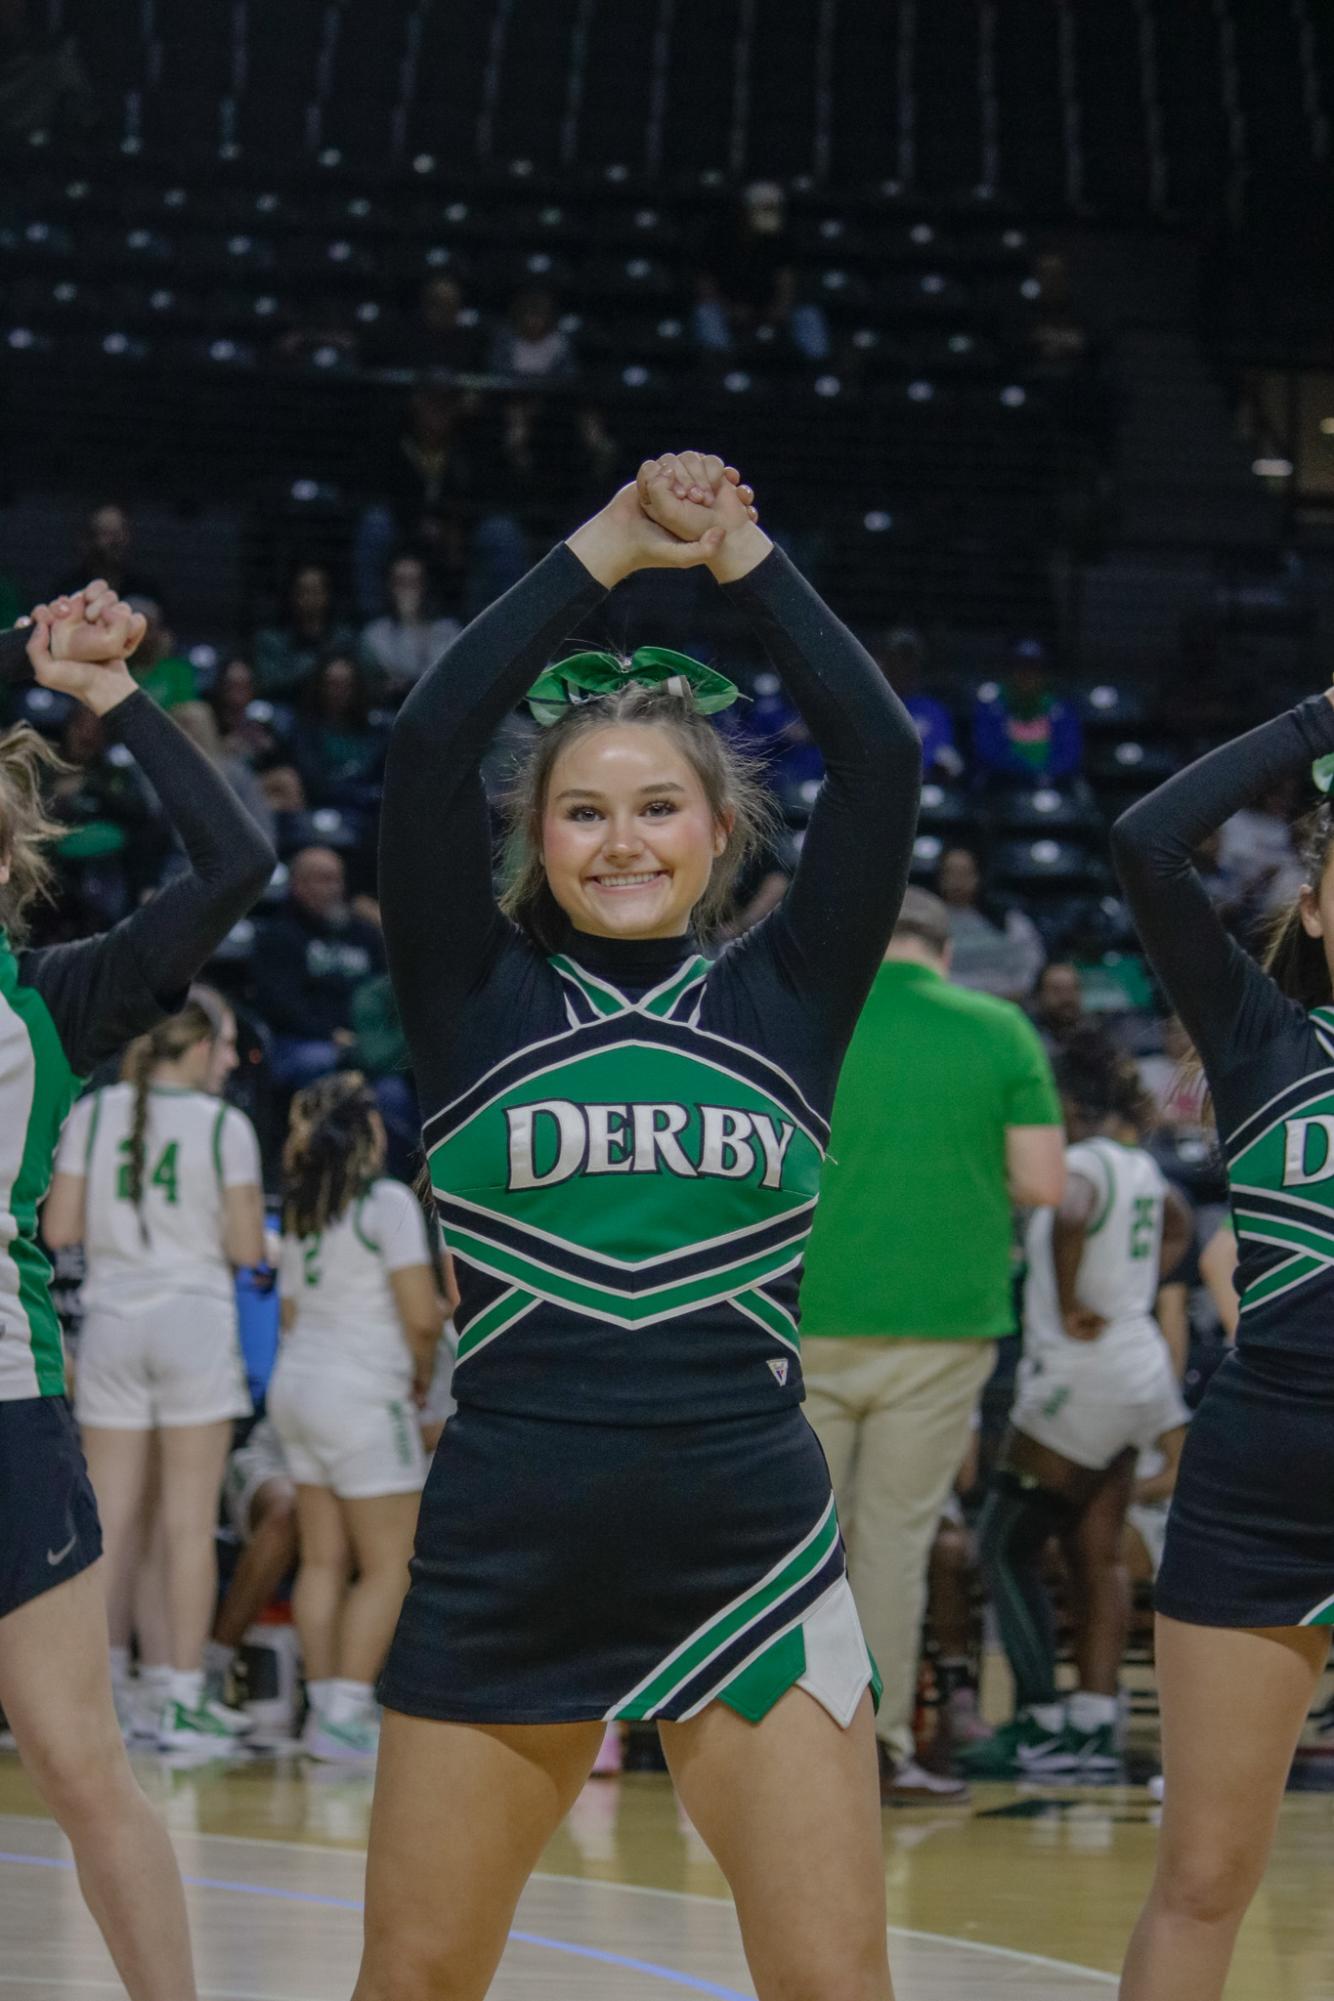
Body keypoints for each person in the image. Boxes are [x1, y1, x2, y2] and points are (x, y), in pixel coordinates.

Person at [355, 449, 920, 2001]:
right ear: (531, 836)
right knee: (410, 1981)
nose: (620, 841)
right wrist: (604, 546)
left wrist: (740, 552)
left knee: (831, 1984)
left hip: (749, 1549)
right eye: (582, 811)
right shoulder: (472, 995)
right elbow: (422, 751)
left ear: (716, 828)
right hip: (504, 1552)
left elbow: (876, 758)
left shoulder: (788, 992)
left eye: (657, 806)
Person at [0, 585, 274, 2000]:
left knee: (78, 1755)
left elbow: (237, 859)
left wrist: (103, 693)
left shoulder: (56, 996)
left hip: (9, 1414)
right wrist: (22, 659)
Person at [1110, 688, 1334, 2000]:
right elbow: (1145, 842)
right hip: (1262, 1488)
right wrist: (1315, 720)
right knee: (1202, 1875)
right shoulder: (1263, 1039)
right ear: (1311, 908)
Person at [799, 887, 1065, 1803]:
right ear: (945, 953)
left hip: (804, 1317)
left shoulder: (813, 1016)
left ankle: (771, 1752)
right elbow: (1041, 1182)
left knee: (793, 1546)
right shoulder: (998, 1029)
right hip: (945, 1322)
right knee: (894, 1546)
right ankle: (871, 1748)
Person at [959, 1037, 1191, 1780]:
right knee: (1097, 1555)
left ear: (1067, 1103)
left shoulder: (1083, 1163)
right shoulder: (1144, 1166)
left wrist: (1071, 1300)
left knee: (1001, 1544)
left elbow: (1070, 1215)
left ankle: (1037, 1718)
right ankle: (1093, 1719)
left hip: (1082, 1373)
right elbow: (1182, 1226)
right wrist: (1131, 1291)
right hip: (1139, 1367)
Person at [43, 988, 266, 1746]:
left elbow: (60, 1225)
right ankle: (178, 1694)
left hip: (111, 1321)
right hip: (193, 1322)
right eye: (228, 1045)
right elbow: (245, 1249)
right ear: (198, 1047)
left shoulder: (94, 1112)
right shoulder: (225, 1126)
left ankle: (102, 1694)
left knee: (109, 1524)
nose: (232, 1060)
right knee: (187, 1525)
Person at [268, 1075, 443, 1762]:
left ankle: (325, 1713)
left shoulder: (306, 1208)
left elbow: (286, 1315)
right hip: (362, 1394)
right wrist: (422, 1372)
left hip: (299, 1387)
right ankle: (344, 1713)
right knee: (390, 1564)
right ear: (370, 1134)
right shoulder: (389, 1203)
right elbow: (422, 1317)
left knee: (322, 1558)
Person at [252, 845, 385, 1092]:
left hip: (361, 1042)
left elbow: (383, 992)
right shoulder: (279, 936)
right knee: (320, 1062)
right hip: (301, 1041)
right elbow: (281, 1006)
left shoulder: (364, 934)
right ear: (298, 885)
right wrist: (330, 1033)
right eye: (324, 880)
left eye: (338, 879)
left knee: (393, 1088)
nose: (335, 888)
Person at [693, 181, 830, 361]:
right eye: (763, 208)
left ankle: (818, 365)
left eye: (773, 209)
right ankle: (719, 362)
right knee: (706, 313)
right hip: (728, 307)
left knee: (809, 315)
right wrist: (730, 309)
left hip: (769, 308)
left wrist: (778, 308)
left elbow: (786, 282)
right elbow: (706, 285)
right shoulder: (719, 239)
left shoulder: (782, 241)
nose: (769, 214)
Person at [935, 844, 1046, 1000]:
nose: (957, 881)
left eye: (964, 873)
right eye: (950, 873)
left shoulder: (1008, 920)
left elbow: (1029, 968)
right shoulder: (930, 922)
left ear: (979, 875)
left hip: (1006, 1004)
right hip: (948, 1005)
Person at [971, 638, 1083, 785]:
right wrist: (1027, 772)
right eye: (1021, 668)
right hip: (1002, 785)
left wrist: (1047, 773)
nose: (1027, 676)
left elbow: (1070, 754)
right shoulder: (991, 708)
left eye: (1033, 669)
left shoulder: (1061, 710)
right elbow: (987, 752)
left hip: (1052, 784)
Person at [289, 652, 387, 811]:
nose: (338, 692)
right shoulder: (305, 731)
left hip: (371, 810)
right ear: (320, 686)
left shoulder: (376, 730)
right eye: (332, 684)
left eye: (345, 685)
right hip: (324, 809)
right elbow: (315, 784)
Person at [359, 552, 461, 699]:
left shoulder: (449, 630)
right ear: (389, 587)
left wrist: (412, 623)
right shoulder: (374, 634)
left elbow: (439, 680)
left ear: (425, 586)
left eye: (413, 582)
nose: (407, 590)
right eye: (401, 583)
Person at [253, 562, 358, 700]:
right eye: (303, 591)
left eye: (316, 591)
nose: (310, 598)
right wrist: (318, 663)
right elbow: (270, 683)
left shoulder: (344, 639)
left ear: (327, 595)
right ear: (292, 595)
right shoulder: (270, 640)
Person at [487, 287, 575, 379]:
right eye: (530, 314)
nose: (534, 321)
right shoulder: (505, 341)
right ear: (519, 316)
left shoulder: (560, 343)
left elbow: (568, 379)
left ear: (549, 317)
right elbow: (496, 375)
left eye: (540, 315)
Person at [1032, 959, 1091, 1056]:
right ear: (1040, 995)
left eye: (1072, 990)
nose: (1066, 998)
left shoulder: (1096, 1030)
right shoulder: (1030, 1034)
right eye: (1057, 991)